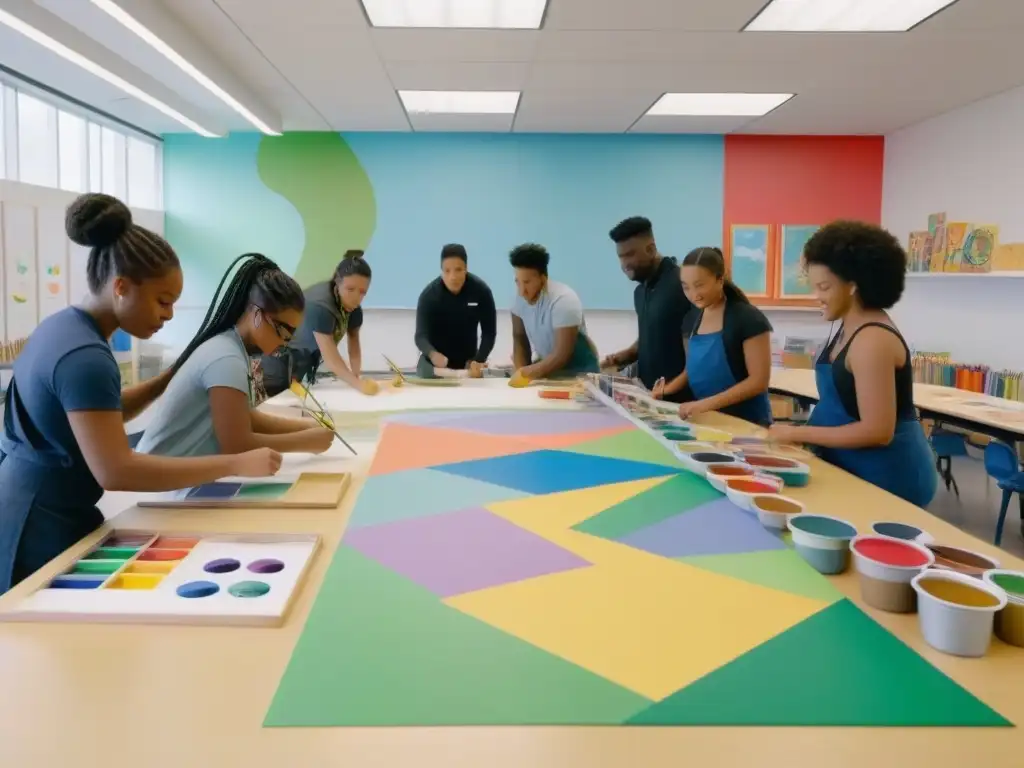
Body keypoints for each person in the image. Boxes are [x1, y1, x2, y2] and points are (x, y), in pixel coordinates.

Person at [0, 193, 280, 596]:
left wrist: (164, 381)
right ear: (120, 287)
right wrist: (234, 462)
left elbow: (100, 415)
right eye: (163, 301)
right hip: (39, 521)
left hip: (33, 502)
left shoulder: (65, 328)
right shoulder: (86, 357)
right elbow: (116, 470)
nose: (167, 315)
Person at [768, 221, 938, 507]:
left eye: (824, 287)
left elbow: (877, 431)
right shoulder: (847, 326)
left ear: (853, 285)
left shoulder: (873, 340)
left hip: (888, 477)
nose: (817, 297)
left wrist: (797, 432)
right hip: (853, 467)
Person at [136, 253, 334, 458]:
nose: (285, 342)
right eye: (283, 331)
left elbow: (244, 417)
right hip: (158, 481)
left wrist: (304, 427)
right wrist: (308, 441)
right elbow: (237, 444)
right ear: (257, 314)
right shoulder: (226, 358)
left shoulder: (235, 348)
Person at [653, 247, 773, 426]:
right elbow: (691, 369)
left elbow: (758, 382)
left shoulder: (748, 318)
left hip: (748, 422)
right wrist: (665, 390)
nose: (694, 294)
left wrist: (704, 405)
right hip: (709, 420)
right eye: (686, 287)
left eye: (700, 285)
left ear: (720, 279)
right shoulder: (691, 320)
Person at [260, 250, 378, 397]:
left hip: (303, 360)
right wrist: (359, 386)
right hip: (278, 361)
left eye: (362, 292)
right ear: (337, 282)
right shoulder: (320, 305)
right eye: (350, 289)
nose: (356, 298)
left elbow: (354, 343)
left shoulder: (353, 308)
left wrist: (356, 377)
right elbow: (331, 359)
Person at [602, 217, 692, 399]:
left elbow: (697, 356)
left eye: (630, 255)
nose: (624, 264)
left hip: (682, 401)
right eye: (621, 257)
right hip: (650, 398)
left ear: (651, 249)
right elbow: (654, 333)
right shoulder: (640, 292)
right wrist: (628, 354)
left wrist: (670, 389)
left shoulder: (683, 284)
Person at [508, 243, 599, 384]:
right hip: (547, 371)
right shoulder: (518, 300)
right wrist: (521, 370)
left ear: (543, 279)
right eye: (517, 282)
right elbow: (519, 337)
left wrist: (527, 373)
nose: (521, 291)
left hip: (579, 374)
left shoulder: (564, 300)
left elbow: (561, 355)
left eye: (527, 282)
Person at [414, 244, 497, 379]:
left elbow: (489, 333)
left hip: (468, 365)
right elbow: (420, 336)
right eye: (447, 271)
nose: (453, 277)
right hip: (436, 367)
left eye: (458, 270)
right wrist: (432, 354)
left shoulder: (481, 292)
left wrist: (479, 359)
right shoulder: (429, 296)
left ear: (466, 269)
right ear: (441, 271)